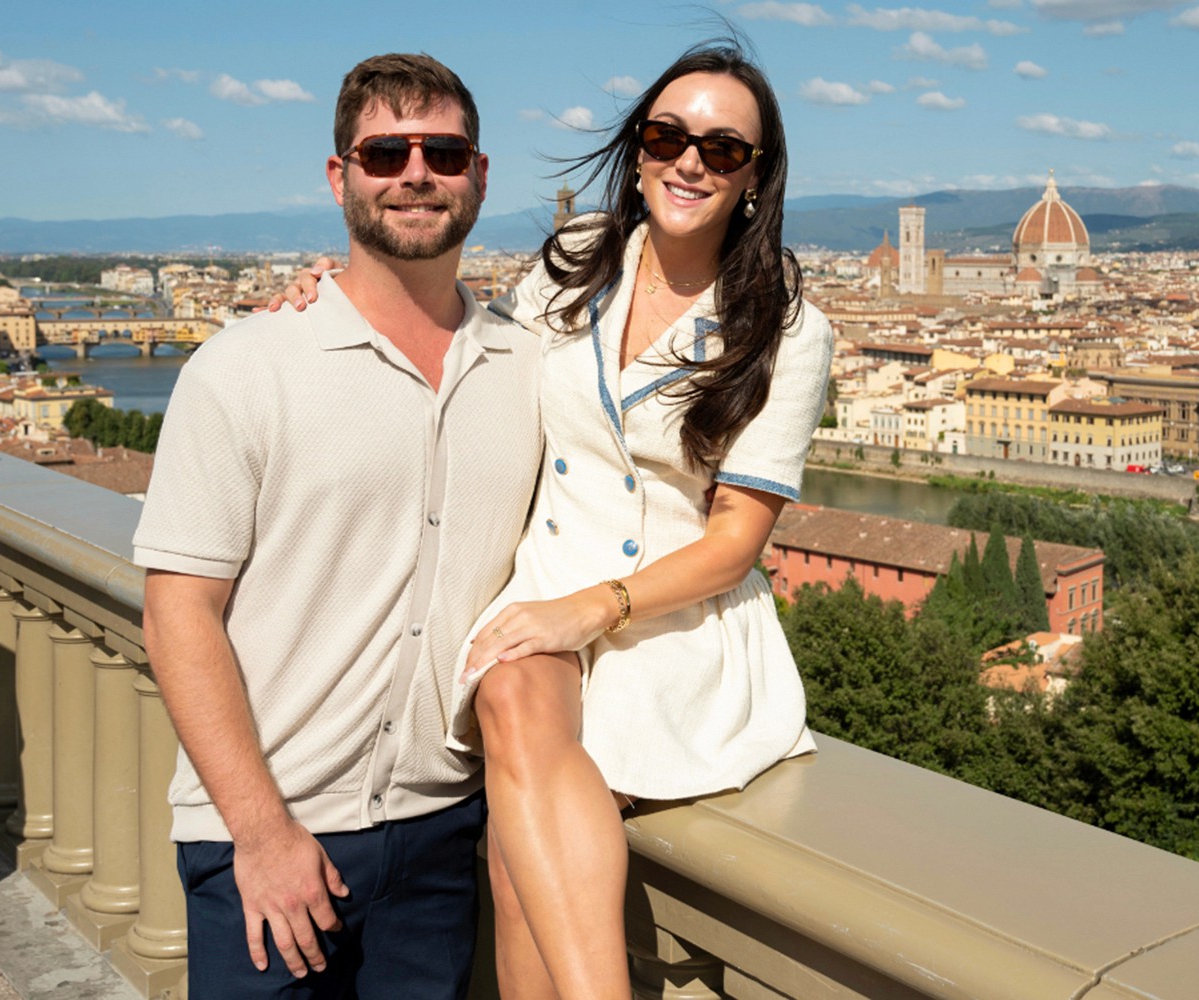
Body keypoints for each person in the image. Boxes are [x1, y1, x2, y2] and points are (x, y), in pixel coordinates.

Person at [278, 38, 832, 1000]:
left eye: (723, 148)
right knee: (511, 685)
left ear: (756, 176)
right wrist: (349, 292)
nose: (689, 159)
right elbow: (477, 345)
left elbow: (738, 539)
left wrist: (594, 609)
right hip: (541, 589)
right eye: (667, 134)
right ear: (640, 148)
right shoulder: (583, 258)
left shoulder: (787, 325)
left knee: (512, 853)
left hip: (671, 620)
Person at [134, 53, 542, 999]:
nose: (414, 172)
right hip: (267, 841)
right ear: (340, 176)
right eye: (384, 152)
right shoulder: (245, 368)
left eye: (442, 151)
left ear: (480, 174)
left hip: (443, 838)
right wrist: (265, 832)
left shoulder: (530, 367)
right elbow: (178, 613)